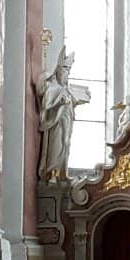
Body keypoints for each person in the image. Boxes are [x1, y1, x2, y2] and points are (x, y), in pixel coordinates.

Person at [38, 45, 90, 176]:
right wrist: (60, 102)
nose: (67, 75)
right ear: (58, 71)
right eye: (65, 71)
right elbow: (47, 105)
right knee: (57, 146)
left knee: (66, 144)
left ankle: (61, 172)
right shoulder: (53, 88)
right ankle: (52, 172)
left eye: (68, 72)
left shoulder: (67, 89)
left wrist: (80, 98)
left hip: (67, 123)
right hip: (56, 124)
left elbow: (72, 101)